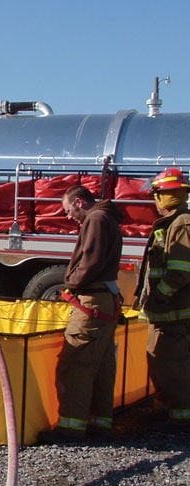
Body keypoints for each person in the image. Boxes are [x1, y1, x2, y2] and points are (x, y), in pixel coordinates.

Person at [38, 184, 123, 444]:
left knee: (75, 364)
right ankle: (99, 424)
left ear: (78, 202)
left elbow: (90, 261)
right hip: (104, 301)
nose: (68, 217)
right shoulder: (107, 217)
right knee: (101, 366)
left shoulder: (95, 219)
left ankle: (70, 429)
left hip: (92, 302)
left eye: (67, 210)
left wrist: (71, 283)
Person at [134, 167, 190, 430]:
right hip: (168, 312)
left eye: (155, 195)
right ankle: (165, 408)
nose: (154, 201)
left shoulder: (182, 224)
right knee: (163, 362)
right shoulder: (173, 223)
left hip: (173, 313)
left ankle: (180, 418)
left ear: (164, 195)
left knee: (171, 364)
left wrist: (159, 299)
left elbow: (180, 272)